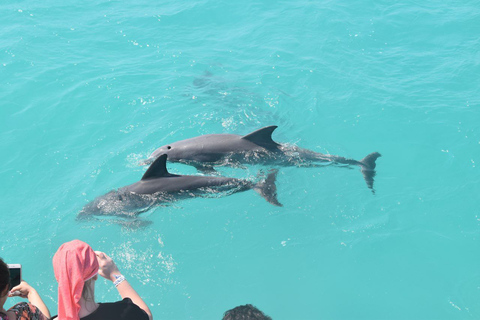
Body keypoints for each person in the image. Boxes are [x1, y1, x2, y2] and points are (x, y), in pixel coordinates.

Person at [52, 240, 152, 320]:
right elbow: (147, 315)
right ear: (95, 275)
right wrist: (115, 274)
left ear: (59, 280)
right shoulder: (124, 312)